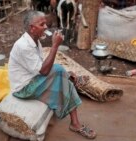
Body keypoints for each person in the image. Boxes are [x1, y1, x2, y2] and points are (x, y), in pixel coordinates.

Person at [8, 10, 96, 139]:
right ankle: (75, 120)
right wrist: (55, 46)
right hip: (23, 89)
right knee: (59, 70)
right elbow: (44, 71)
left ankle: (75, 120)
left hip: (33, 79)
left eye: (45, 24)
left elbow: (40, 67)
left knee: (61, 74)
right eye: (42, 24)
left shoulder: (34, 41)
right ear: (32, 28)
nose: (46, 27)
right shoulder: (23, 46)